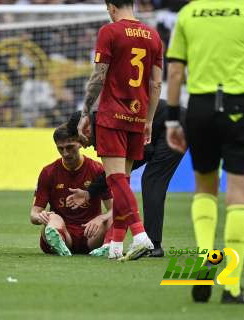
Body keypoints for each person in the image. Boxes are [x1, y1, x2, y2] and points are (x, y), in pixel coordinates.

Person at [165, 0, 244, 304]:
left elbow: (176, 72)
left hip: (200, 108)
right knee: (238, 196)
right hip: (239, 108)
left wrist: (171, 121)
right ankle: (231, 286)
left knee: (204, 187)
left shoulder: (189, 12)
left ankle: (206, 255)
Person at [77, 0, 163, 261]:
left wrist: (85, 111)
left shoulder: (110, 31)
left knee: (116, 181)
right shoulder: (154, 35)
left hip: (112, 115)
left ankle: (140, 236)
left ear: (111, 6)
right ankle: (115, 245)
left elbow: (99, 76)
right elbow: (156, 84)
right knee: (121, 185)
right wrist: (148, 120)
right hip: (138, 116)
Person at [67, 100, 185, 258]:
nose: (84, 147)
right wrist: (89, 193)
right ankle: (122, 244)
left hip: (174, 125)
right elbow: (119, 168)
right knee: (135, 180)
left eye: (81, 141)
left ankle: (151, 244)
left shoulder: (104, 127)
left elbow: (136, 156)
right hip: (168, 125)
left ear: (86, 128)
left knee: (151, 182)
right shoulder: (103, 122)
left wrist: (93, 190)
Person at [31, 114, 112, 256]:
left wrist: (101, 218)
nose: (66, 153)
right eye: (60, 149)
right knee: (52, 218)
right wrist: (41, 217)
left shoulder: (98, 170)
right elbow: (34, 214)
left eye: (70, 147)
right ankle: (58, 242)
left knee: (113, 217)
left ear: (80, 142)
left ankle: (107, 245)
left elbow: (116, 208)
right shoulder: (48, 172)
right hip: (64, 233)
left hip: (91, 235)